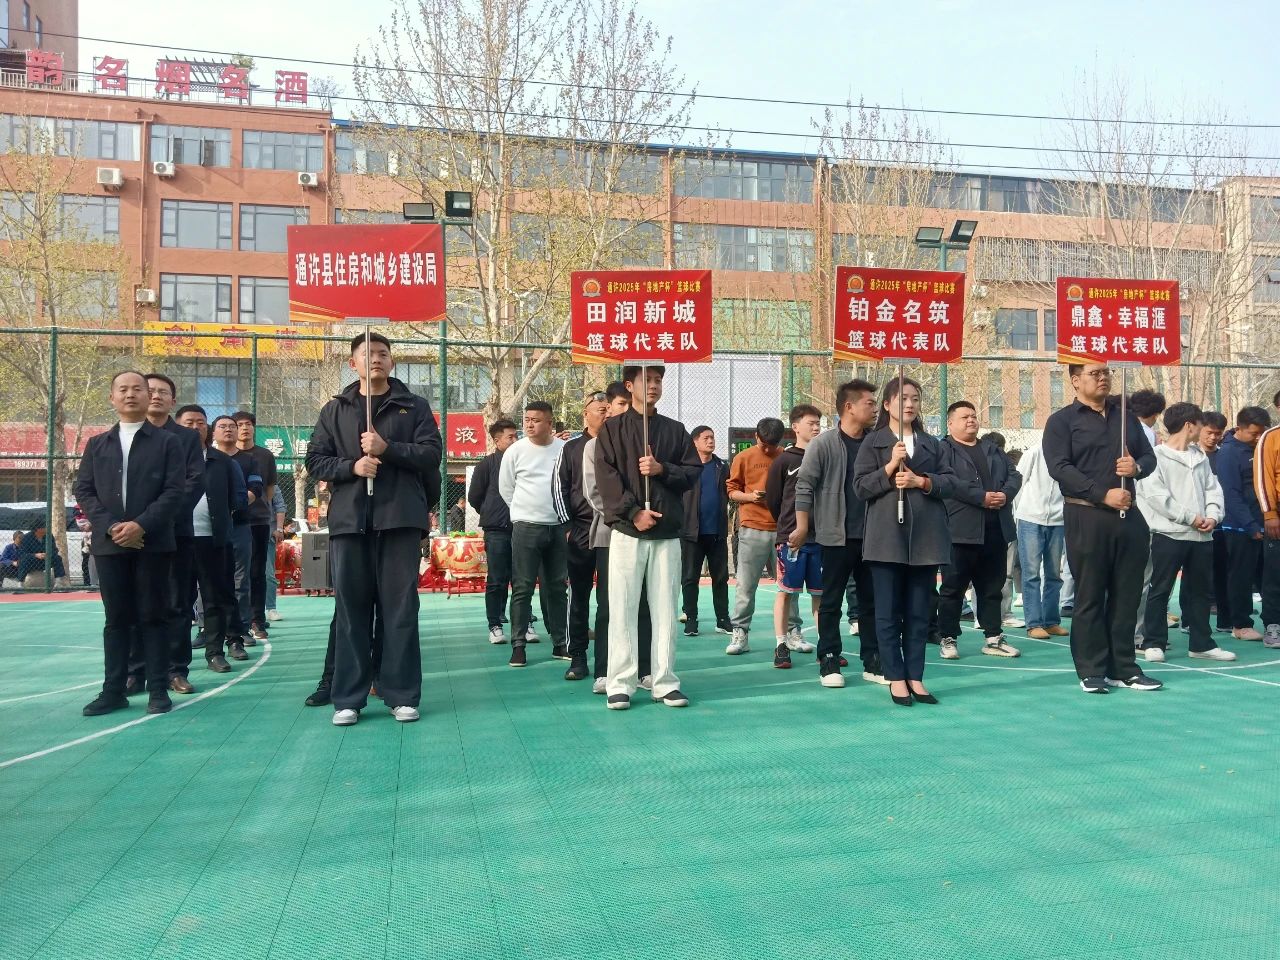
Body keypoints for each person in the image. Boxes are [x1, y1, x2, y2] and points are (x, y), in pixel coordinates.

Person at [306, 332, 442, 726]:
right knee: (351, 610)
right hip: (350, 522)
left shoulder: (413, 406)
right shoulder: (336, 409)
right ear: (354, 364)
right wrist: (352, 466)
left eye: (383, 353)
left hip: (399, 520)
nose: (376, 359)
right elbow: (315, 460)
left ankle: (401, 694)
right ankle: (348, 697)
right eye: (368, 354)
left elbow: (432, 454)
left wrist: (388, 450)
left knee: (400, 609)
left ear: (392, 361)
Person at [1043, 364, 1161, 694]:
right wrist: (1101, 493)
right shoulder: (1062, 421)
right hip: (1086, 515)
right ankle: (1091, 669)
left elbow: (1149, 457)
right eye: (1094, 373)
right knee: (1090, 595)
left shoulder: (1126, 418)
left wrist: (1136, 467)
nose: (1103, 378)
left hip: (1128, 516)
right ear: (1075, 380)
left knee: (1127, 596)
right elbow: (1059, 467)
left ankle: (1124, 667)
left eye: (1106, 372)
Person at [75, 371, 186, 717]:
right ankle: (114, 691)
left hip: (153, 544)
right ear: (112, 398)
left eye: (138, 388)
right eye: (122, 389)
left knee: (154, 615)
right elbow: (84, 490)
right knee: (117, 619)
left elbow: (174, 490)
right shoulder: (97, 444)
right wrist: (111, 527)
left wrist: (141, 525)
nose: (131, 394)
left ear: (148, 396)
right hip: (109, 546)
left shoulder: (168, 443)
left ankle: (158, 690)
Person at [595, 365, 700, 710]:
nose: (653, 386)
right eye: (647, 380)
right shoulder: (611, 430)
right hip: (627, 532)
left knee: (666, 609)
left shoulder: (675, 430)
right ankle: (620, 683)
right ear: (630, 385)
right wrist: (633, 512)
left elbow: (691, 472)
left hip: (667, 533)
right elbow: (606, 478)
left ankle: (664, 681)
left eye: (658, 380)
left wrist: (661, 469)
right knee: (622, 608)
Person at [854, 377, 960, 707]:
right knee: (887, 612)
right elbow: (860, 488)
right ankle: (895, 676)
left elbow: (951, 482)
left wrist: (921, 481)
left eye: (915, 398)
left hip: (925, 539)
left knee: (918, 612)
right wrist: (889, 466)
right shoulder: (873, 443)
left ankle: (915, 676)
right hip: (886, 538)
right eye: (902, 398)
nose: (910, 404)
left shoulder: (933, 444)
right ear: (887, 405)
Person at [127, 373, 206, 697]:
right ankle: (135, 672)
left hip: (175, 534)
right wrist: (134, 524)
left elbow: (194, 483)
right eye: (151, 390)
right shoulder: (126, 436)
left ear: (173, 401)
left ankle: (176, 670)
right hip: (133, 536)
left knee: (176, 604)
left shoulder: (186, 438)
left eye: (163, 392)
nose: (156, 395)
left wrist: (154, 520)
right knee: (135, 604)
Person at [1136, 402, 1232, 662]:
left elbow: (1213, 490)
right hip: (1168, 535)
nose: (1203, 430)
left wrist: (1213, 516)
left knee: (1200, 591)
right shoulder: (1156, 457)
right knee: (1160, 589)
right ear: (1189, 425)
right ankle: (1153, 642)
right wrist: (1191, 518)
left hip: (1202, 536)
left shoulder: (1200, 457)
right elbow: (1156, 497)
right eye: (1201, 425)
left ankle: (1201, 644)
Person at [937, 401, 1023, 659]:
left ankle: (993, 637)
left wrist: (1005, 494)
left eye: (973, 416)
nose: (971, 420)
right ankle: (948, 638)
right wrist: (981, 497)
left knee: (992, 588)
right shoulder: (943, 450)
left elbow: (1014, 476)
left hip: (995, 529)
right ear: (950, 423)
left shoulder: (992, 449)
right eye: (964, 417)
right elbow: (949, 482)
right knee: (953, 588)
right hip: (959, 530)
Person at [175, 404, 247, 674]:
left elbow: (238, 497)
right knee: (180, 602)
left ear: (207, 428)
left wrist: (222, 515)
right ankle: (177, 663)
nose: (195, 427)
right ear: (177, 426)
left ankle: (215, 653)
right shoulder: (169, 459)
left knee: (216, 598)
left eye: (200, 422)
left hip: (214, 541)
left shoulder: (223, 461)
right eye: (189, 422)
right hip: (178, 541)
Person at [499, 400, 569, 668]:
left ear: (549, 424)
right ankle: (518, 646)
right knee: (522, 587)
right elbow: (506, 488)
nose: (529, 424)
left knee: (557, 587)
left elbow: (571, 485)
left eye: (536, 420)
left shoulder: (564, 450)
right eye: (526, 419)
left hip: (558, 526)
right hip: (526, 526)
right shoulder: (515, 451)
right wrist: (523, 512)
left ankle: (560, 643)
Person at [766, 404, 822, 669]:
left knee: (820, 595)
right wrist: (790, 528)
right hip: (792, 539)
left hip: (821, 538)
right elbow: (774, 499)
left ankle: (827, 646)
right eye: (811, 423)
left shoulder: (824, 456)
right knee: (786, 592)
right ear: (796, 427)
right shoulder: (784, 461)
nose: (816, 427)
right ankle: (781, 644)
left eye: (818, 422)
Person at [559, 391, 610, 681]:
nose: (605, 413)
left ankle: (607, 661)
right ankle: (577, 655)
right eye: (600, 409)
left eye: (608, 408)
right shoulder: (571, 448)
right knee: (579, 594)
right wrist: (567, 526)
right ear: (585, 414)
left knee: (609, 598)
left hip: (611, 528)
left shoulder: (618, 444)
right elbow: (560, 487)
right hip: (579, 529)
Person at [726, 417, 787, 655]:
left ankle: (792, 632)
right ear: (756, 437)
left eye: (773, 446)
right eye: (764, 445)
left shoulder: (786, 457)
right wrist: (751, 497)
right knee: (746, 584)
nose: (768, 450)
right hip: (752, 526)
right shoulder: (743, 458)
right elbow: (732, 491)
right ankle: (740, 632)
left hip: (782, 528)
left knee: (788, 586)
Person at [1216, 405, 1272, 643]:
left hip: (1265, 523)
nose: (1258, 437)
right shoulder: (1229, 453)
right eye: (1254, 433)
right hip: (1239, 527)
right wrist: (1250, 525)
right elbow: (1231, 493)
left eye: (1262, 433)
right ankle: (1240, 624)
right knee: (1241, 576)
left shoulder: (1261, 447)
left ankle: (1272, 621)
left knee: (1267, 576)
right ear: (1239, 428)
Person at [211, 414, 261, 661]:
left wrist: (234, 507)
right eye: (223, 426)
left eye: (233, 426)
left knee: (241, 579)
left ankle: (240, 629)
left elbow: (256, 489)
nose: (229, 430)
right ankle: (208, 629)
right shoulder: (205, 459)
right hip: (209, 528)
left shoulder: (249, 460)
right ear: (213, 432)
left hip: (239, 525)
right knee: (210, 580)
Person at [469, 418, 523, 644]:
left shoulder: (524, 461)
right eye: (510, 437)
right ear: (496, 440)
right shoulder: (486, 465)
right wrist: (491, 512)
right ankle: (495, 625)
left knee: (522, 579)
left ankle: (525, 623)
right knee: (497, 579)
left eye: (516, 436)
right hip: (497, 530)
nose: (515, 440)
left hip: (522, 527)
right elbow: (474, 497)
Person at [1013, 440, 1068, 641]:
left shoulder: (1070, 453)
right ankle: (1034, 623)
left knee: (1054, 574)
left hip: (1058, 520)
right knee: (1031, 573)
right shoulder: (1035, 452)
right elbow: (1018, 483)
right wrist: (1020, 513)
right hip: (1030, 518)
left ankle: (1051, 621)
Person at [680, 425, 731, 637]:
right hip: (691, 533)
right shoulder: (685, 468)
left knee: (721, 578)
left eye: (712, 437)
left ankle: (723, 619)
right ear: (695, 442)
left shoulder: (722, 467)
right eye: (706, 438)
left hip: (717, 532)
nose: (711, 441)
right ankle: (691, 619)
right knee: (690, 578)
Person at [233, 411, 278, 645]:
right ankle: (233, 622)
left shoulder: (265, 455)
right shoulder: (224, 455)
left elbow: (270, 487)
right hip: (231, 521)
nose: (244, 428)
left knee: (257, 572)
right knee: (233, 573)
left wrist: (264, 508)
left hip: (259, 520)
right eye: (239, 424)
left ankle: (256, 620)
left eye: (248, 424)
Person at [1128, 389, 1166, 648]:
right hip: (1144, 514)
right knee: (1143, 578)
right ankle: (1137, 634)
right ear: (1155, 414)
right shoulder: (1145, 434)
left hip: (1124, 508)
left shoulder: (1122, 428)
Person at [1252, 392, 1280, 647]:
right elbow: (1263, 479)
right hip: (1277, 514)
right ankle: (1273, 625)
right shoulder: (1270, 437)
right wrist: (1270, 514)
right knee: (1275, 572)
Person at [1199, 411, 1230, 630]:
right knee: (1195, 573)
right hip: (1196, 523)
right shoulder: (1191, 455)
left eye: (1218, 434)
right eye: (1209, 432)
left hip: (1221, 523)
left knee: (1223, 570)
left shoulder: (1224, 456)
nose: (1213, 437)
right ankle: (1190, 620)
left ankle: (1224, 617)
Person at [265, 484, 287, 621]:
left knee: (268, 574)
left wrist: (279, 529)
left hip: (267, 535)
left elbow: (280, 506)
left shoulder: (272, 486)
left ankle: (271, 608)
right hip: (245, 533)